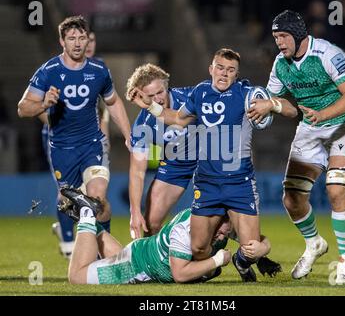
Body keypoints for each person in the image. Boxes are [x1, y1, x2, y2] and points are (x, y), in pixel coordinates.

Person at [129, 48, 296, 281]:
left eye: (230, 70)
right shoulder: (200, 93)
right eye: (220, 68)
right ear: (211, 70)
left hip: (238, 181)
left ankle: (243, 260)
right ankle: (197, 264)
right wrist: (150, 106)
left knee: (253, 247)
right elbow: (177, 118)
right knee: (197, 248)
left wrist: (272, 105)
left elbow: (292, 110)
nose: (224, 74)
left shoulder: (246, 94)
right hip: (205, 181)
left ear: (236, 75)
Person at [258, 10, 345, 284]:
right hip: (310, 128)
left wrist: (323, 115)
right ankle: (314, 242)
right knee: (291, 199)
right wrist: (271, 105)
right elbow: (291, 110)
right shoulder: (280, 64)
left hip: (343, 125)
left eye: (283, 36)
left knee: (336, 189)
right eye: (275, 37)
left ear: (297, 34)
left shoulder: (328, 54)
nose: (279, 42)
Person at [18, 16, 131, 252]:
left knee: (97, 200)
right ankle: (70, 236)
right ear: (62, 41)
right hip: (62, 149)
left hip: (92, 144)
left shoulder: (99, 70)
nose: (78, 43)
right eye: (72, 38)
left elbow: (113, 102)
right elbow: (23, 108)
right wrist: (43, 104)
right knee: (68, 203)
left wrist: (128, 134)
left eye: (82, 38)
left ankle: (103, 253)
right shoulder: (49, 71)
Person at [59, 187, 280, 284]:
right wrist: (217, 260)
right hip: (137, 266)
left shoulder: (219, 222)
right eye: (221, 230)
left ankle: (86, 222)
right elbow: (180, 274)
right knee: (77, 277)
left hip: (141, 253)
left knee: (114, 258)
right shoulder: (187, 228)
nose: (224, 234)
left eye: (226, 230)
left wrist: (263, 249)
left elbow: (259, 239)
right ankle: (87, 212)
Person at [125, 63, 197, 238]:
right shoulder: (142, 125)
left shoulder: (190, 96)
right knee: (151, 223)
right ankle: (150, 263)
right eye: (150, 95)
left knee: (214, 216)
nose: (157, 98)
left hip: (207, 159)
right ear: (141, 97)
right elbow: (137, 172)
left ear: (166, 86)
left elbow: (182, 118)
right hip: (175, 164)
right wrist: (134, 212)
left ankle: (245, 251)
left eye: (160, 92)